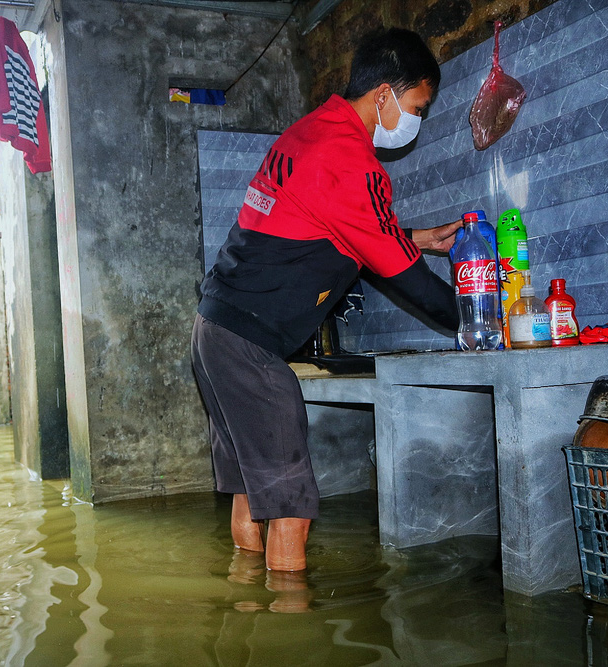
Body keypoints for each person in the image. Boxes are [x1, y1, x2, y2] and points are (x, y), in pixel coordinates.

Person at [191, 28, 462, 572]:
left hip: (213, 332)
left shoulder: (310, 133)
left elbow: (330, 228)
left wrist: (417, 238)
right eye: (417, 106)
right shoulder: (351, 159)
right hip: (251, 346)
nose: (415, 120)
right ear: (385, 93)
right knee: (291, 507)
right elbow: (403, 275)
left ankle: (245, 603)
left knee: (252, 491)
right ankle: (291, 626)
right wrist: (476, 320)